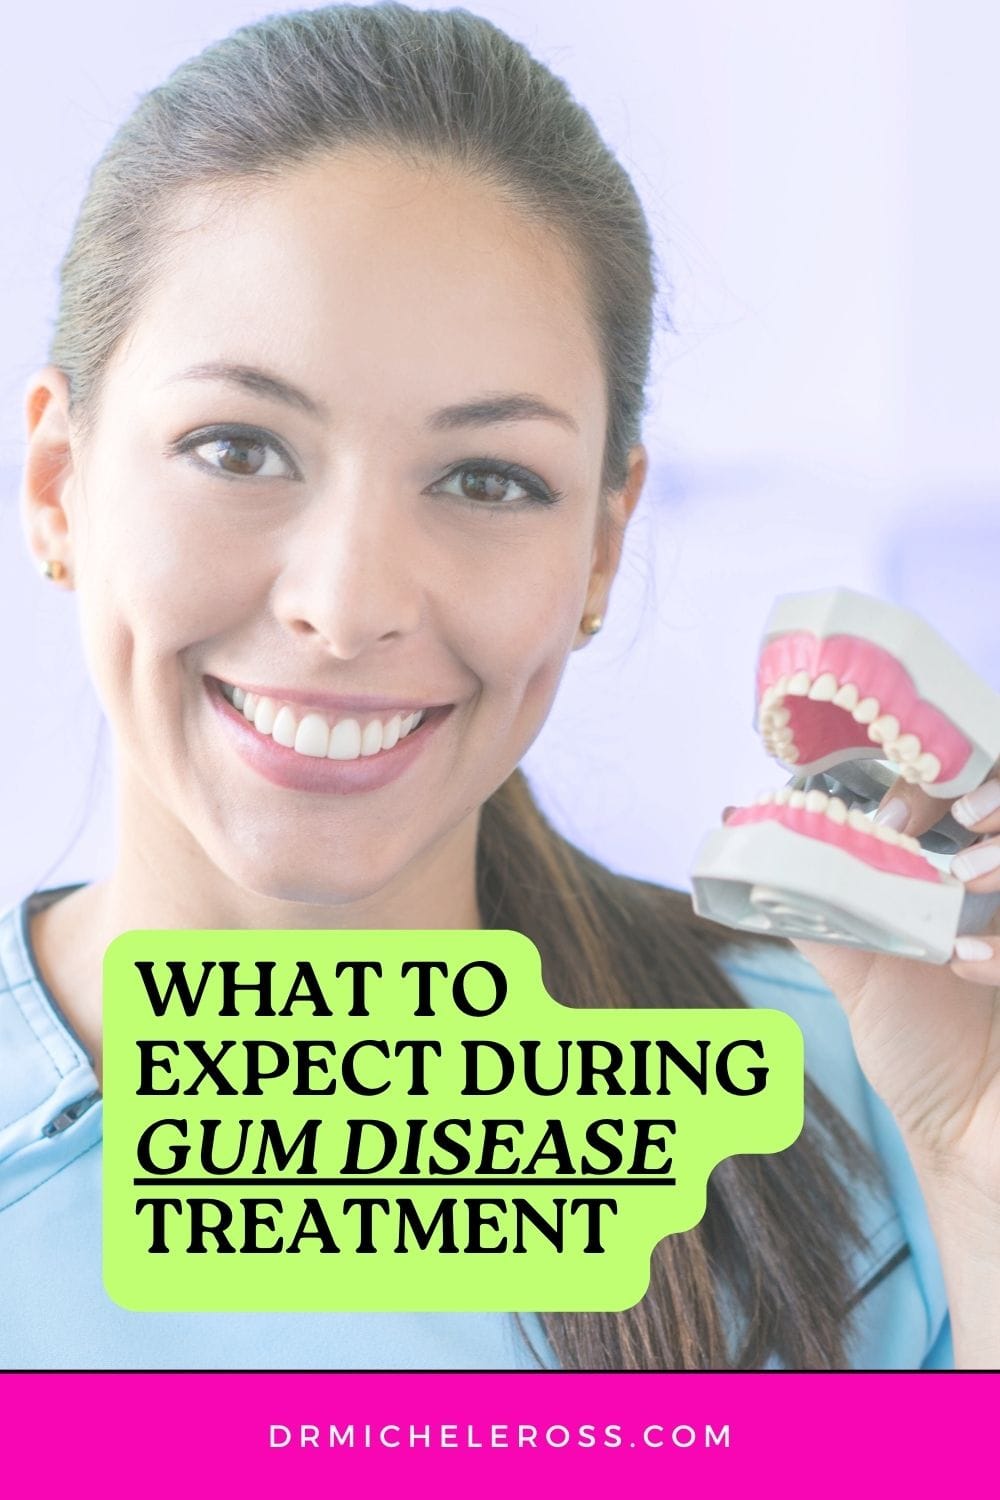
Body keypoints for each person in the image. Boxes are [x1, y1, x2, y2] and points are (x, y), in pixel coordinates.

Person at [2, 2, 996, 1371]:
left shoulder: (863, 1101)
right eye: (237, 449)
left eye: (487, 480)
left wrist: (976, 1182)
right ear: (59, 487)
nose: (347, 606)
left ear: (600, 542)